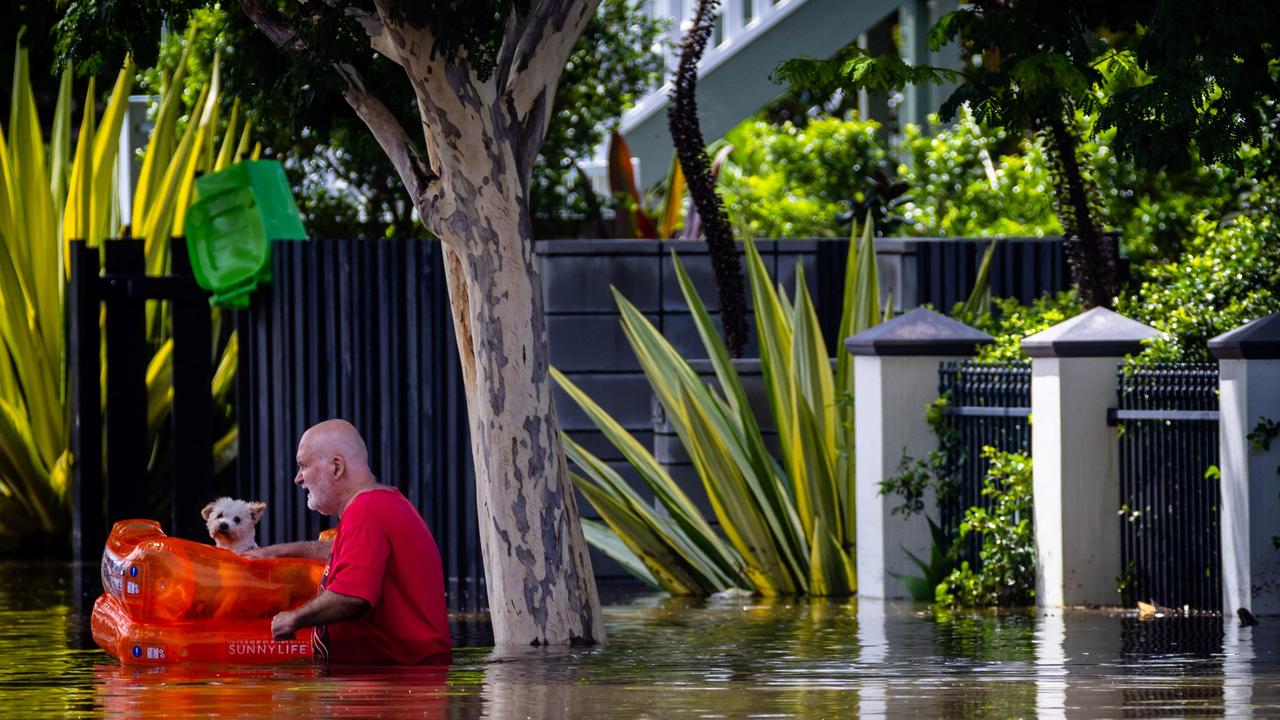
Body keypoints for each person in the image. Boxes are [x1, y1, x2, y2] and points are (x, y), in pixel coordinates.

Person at [246, 419, 451, 664]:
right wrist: (277, 552)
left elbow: (353, 596)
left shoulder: (364, 512)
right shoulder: (383, 503)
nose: (298, 479)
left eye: (303, 465)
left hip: (393, 687)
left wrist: (294, 619)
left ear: (336, 467)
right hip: (400, 682)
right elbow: (347, 552)